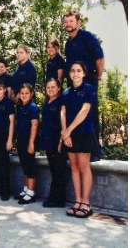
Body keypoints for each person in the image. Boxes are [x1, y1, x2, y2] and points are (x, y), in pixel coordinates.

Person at [64, 11, 105, 162]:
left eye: (71, 21)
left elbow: (100, 58)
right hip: (72, 81)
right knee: (74, 114)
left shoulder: (87, 37)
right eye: (66, 21)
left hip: (88, 79)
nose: (68, 24)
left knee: (90, 114)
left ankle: (94, 152)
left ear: (78, 22)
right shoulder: (68, 43)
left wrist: (97, 78)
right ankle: (76, 148)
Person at [61, 61, 97, 219]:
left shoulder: (88, 89)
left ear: (83, 73)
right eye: (73, 71)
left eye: (78, 71)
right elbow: (62, 112)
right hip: (69, 135)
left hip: (84, 133)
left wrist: (68, 130)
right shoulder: (66, 92)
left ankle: (86, 203)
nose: (75, 73)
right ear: (69, 74)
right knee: (74, 167)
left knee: (83, 167)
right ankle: (77, 201)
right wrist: (65, 133)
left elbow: (84, 111)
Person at [40, 78, 67, 208]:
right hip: (49, 142)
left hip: (58, 142)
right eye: (48, 87)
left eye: (53, 87)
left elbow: (63, 122)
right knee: (54, 171)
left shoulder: (61, 101)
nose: (50, 90)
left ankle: (57, 199)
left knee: (59, 172)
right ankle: (55, 198)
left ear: (58, 88)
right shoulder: (46, 102)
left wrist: (61, 140)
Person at [15, 84, 40, 205]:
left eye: (27, 93)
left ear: (31, 94)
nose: (24, 96)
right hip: (21, 139)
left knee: (30, 166)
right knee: (24, 165)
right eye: (22, 93)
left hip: (29, 140)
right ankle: (26, 189)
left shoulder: (33, 107)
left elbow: (34, 125)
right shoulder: (20, 107)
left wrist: (31, 143)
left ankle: (31, 192)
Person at [0, 80, 15, 201]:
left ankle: (6, 191)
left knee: (4, 164)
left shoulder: (9, 103)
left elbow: (11, 122)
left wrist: (10, 140)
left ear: (5, 89)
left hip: (5, 136)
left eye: (0, 89)